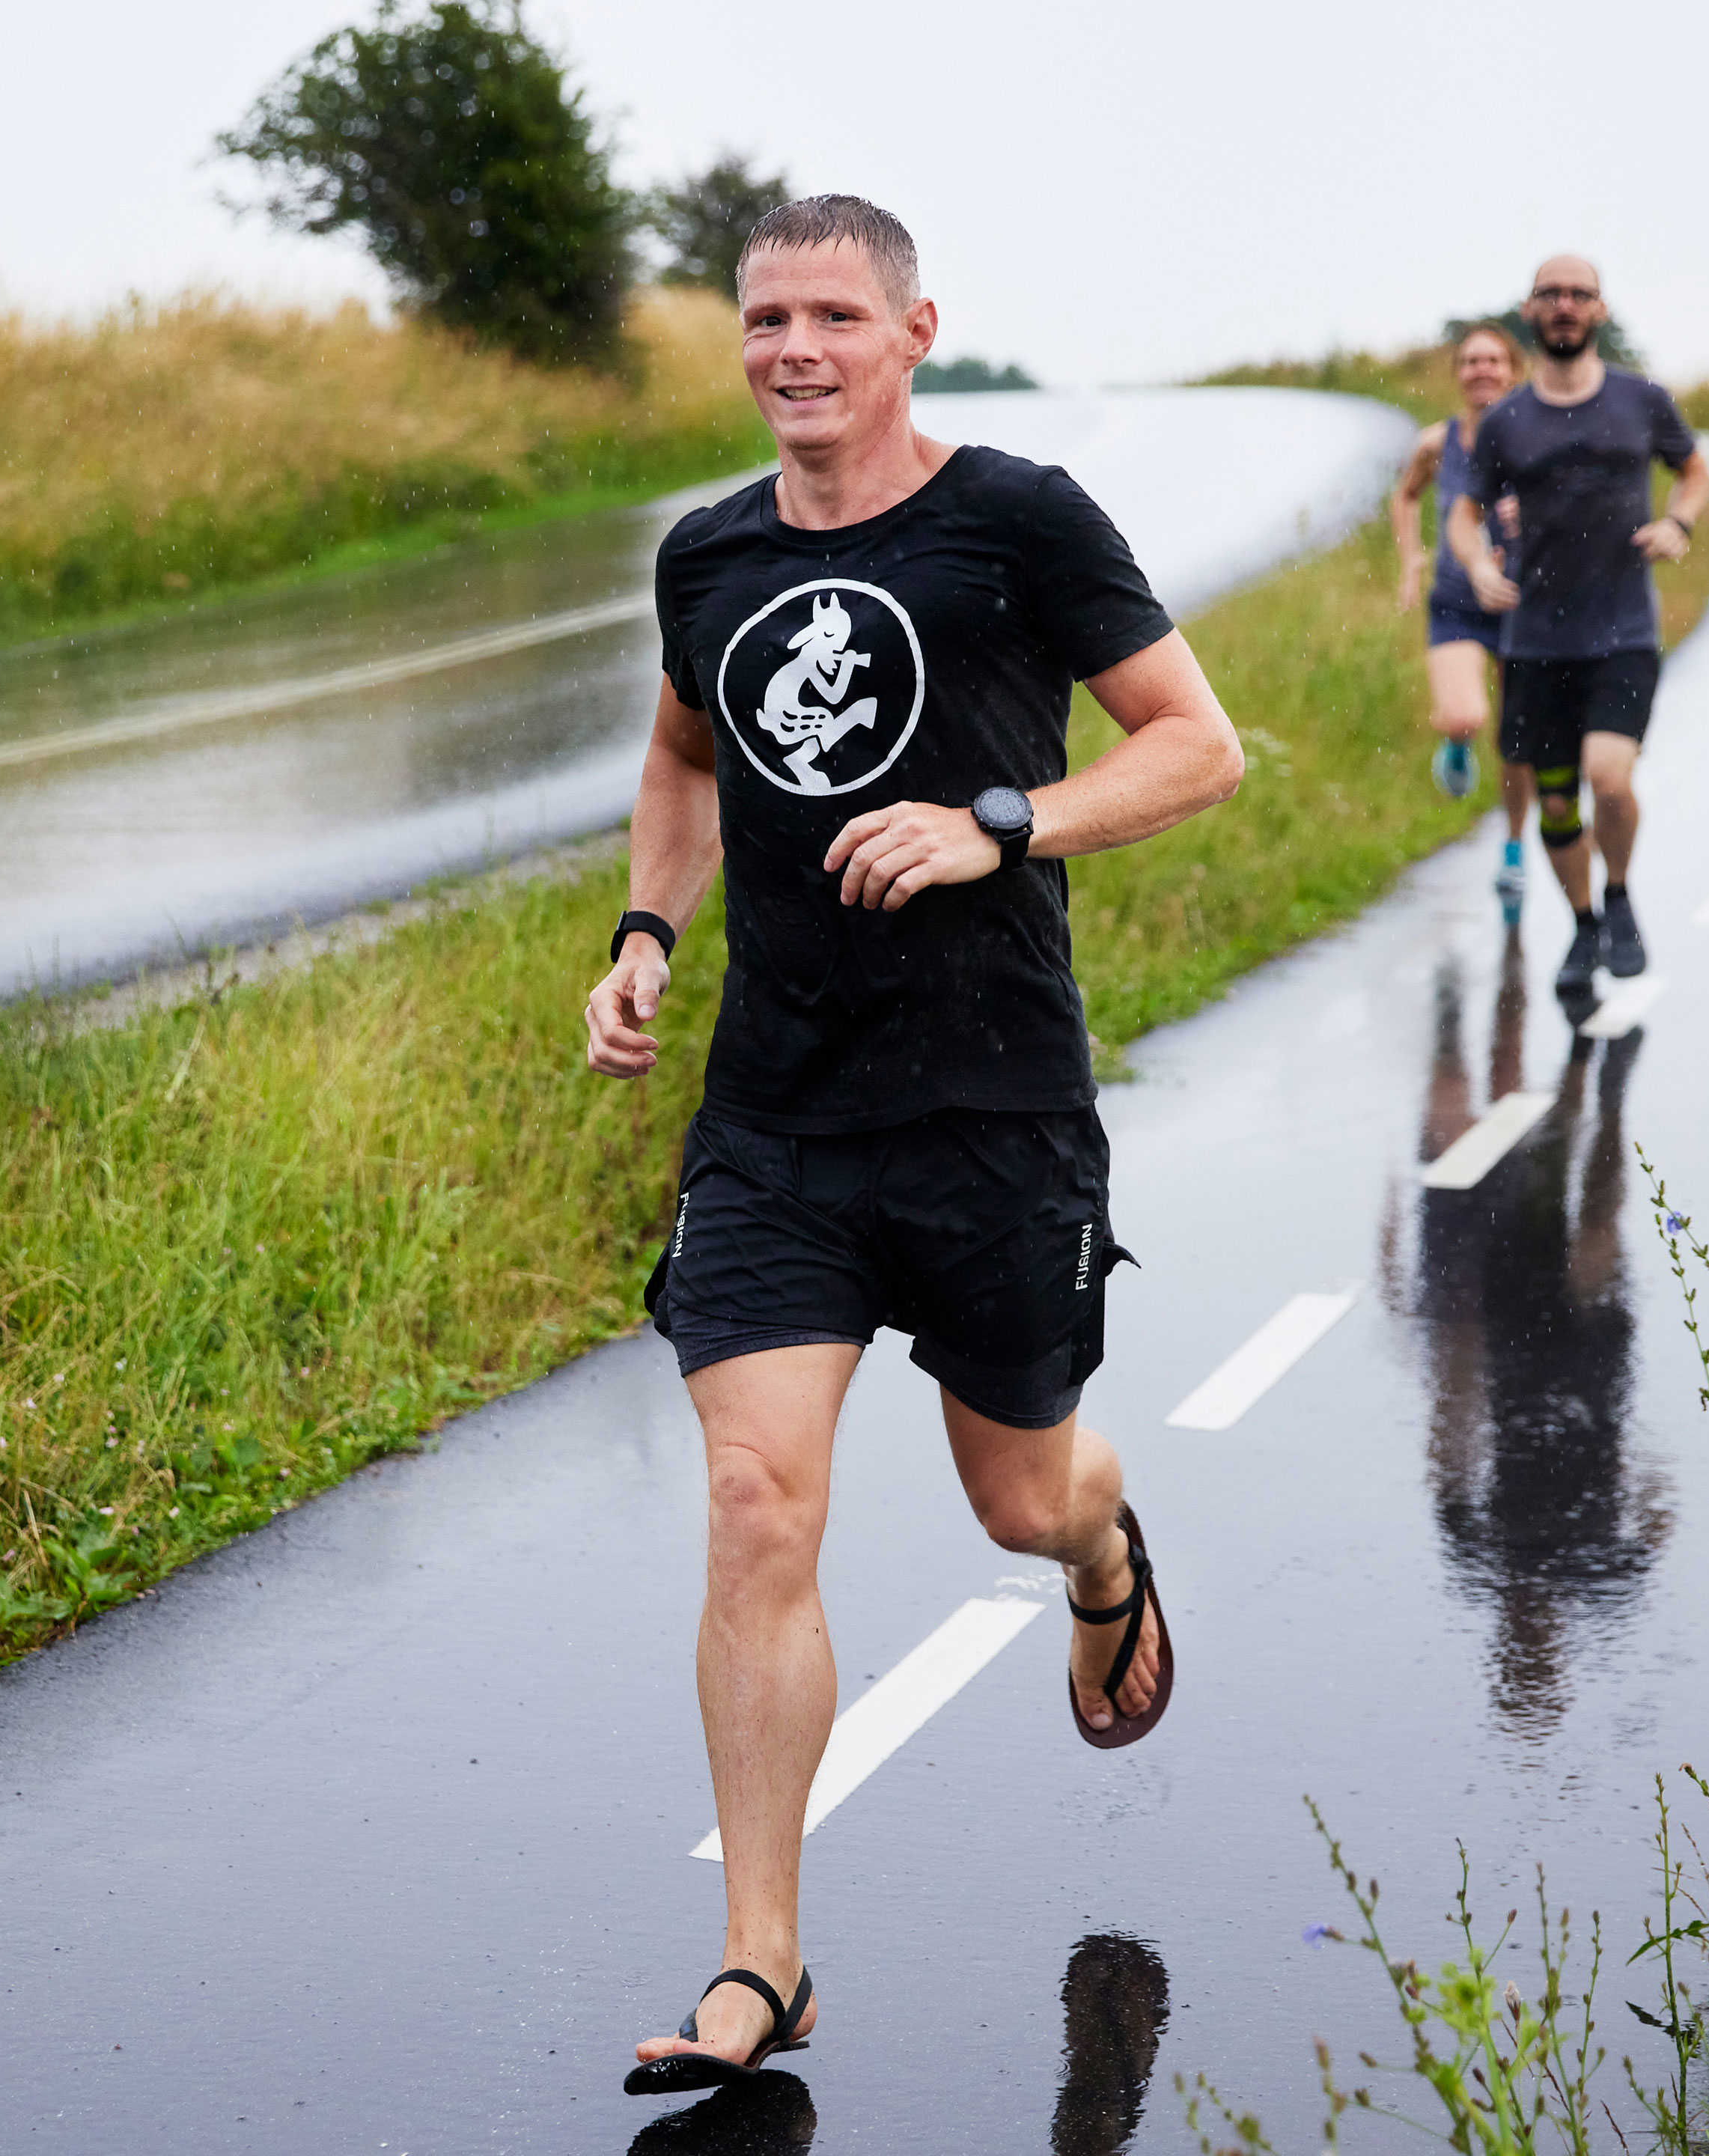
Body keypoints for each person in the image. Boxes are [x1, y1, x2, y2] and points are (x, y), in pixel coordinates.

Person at [583, 195, 1242, 2093]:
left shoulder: (1015, 520)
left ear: (910, 332)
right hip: (776, 1119)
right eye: (763, 319)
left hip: (990, 1114)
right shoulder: (708, 555)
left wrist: (998, 821)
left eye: (831, 317)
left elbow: (1194, 746)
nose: (792, 349)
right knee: (753, 1503)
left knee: (1016, 1501)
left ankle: (1101, 1547)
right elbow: (685, 759)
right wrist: (644, 937)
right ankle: (760, 1964)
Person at [1446, 257, 1709, 993]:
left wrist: (1679, 524)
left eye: (1578, 294)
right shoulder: (1506, 421)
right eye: (1551, 294)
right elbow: (1464, 513)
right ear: (1530, 310)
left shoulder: (1640, 400)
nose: (1564, 304)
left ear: (1600, 309)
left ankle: (1619, 895)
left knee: (1609, 776)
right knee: (1557, 799)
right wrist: (1474, 564)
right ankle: (1585, 923)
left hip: (1622, 632)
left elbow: (1694, 472)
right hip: (1536, 641)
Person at [1391, 323, 1535, 917]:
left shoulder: (1539, 439)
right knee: (1464, 714)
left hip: (1523, 606)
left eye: (1494, 360)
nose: (1483, 370)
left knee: (1518, 741)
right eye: (1472, 361)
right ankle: (1455, 744)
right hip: (1455, 601)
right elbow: (1406, 496)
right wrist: (1411, 559)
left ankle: (1513, 849)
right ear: (1458, 373)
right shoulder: (1437, 442)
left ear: (1513, 371)